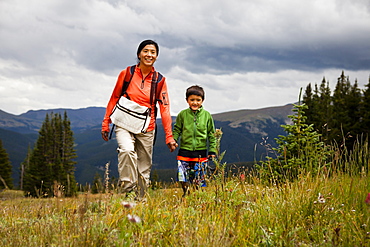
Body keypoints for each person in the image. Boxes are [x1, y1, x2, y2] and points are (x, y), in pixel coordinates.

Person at [101, 40, 177, 200]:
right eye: (146, 51)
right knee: (127, 151)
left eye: (153, 52)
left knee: (144, 169)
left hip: (147, 127)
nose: (149, 54)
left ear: (156, 57)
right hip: (123, 123)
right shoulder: (126, 74)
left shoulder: (159, 80)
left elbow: (164, 108)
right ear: (139, 54)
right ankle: (128, 192)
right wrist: (106, 122)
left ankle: (141, 201)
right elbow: (114, 97)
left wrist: (169, 135)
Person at [172, 85, 216, 197]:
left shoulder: (207, 116)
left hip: (201, 152)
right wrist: (174, 140)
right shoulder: (182, 114)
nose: (195, 103)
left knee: (199, 178)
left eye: (198, 100)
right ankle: (186, 193)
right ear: (187, 100)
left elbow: (211, 134)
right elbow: (177, 129)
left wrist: (212, 150)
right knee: (182, 176)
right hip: (184, 151)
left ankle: (197, 195)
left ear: (202, 100)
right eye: (192, 100)